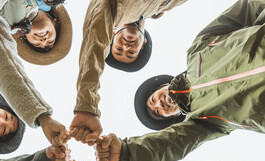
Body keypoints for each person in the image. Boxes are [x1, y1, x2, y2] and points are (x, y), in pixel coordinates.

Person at [95, 0, 265, 161]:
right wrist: (128, 152)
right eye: (159, 112)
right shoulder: (202, 121)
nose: (160, 104)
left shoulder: (197, 51)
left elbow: (246, 10)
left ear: (160, 85)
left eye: (153, 100)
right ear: (173, 117)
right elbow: (171, 144)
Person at [70, 0, 187, 145]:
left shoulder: (114, 12)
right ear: (142, 43)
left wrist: (86, 105)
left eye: (118, 49)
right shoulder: (162, 7)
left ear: (111, 35)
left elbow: (95, 45)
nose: (126, 47)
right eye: (131, 53)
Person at [0, 0, 73, 146]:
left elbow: (3, 66)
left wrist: (43, 117)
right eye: (50, 42)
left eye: (37, 45)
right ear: (55, 23)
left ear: (24, 36)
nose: (43, 41)